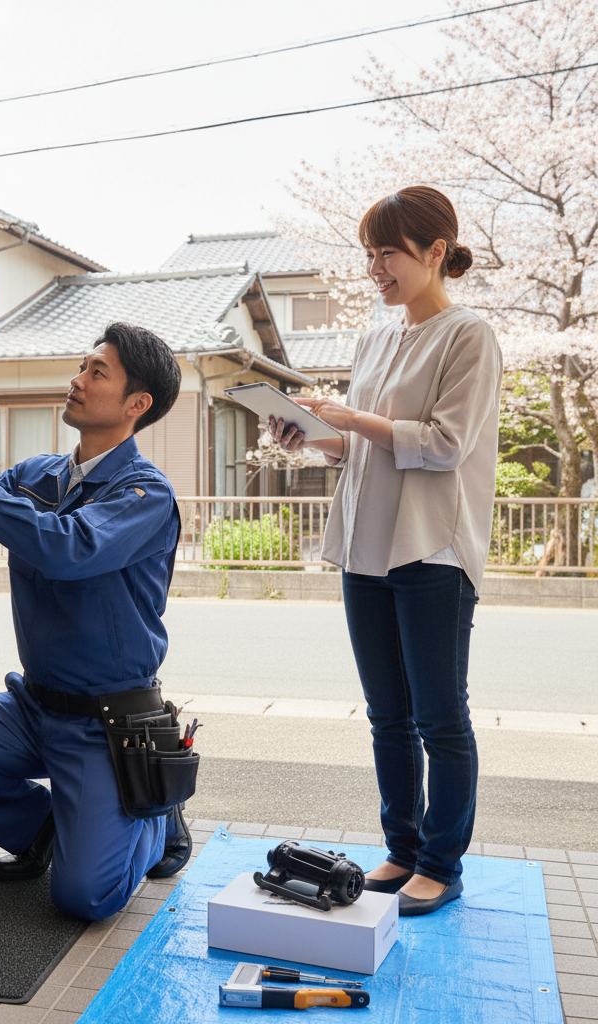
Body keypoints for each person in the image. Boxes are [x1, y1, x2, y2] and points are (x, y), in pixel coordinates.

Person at [0, 322, 191, 921]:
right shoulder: (37, 475)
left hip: (109, 724)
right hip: (33, 707)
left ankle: (156, 815)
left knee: (87, 899)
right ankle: (46, 828)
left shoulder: (146, 494)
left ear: (137, 404)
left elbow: (71, 549)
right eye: (82, 366)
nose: (77, 380)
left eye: (96, 372)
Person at [269, 186, 501, 916]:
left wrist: (351, 416)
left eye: (389, 253)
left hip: (431, 548)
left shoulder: (470, 335)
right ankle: (402, 849)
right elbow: (366, 447)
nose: (376, 268)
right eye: (368, 253)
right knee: (385, 715)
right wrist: (313, 434)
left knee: (440, 717)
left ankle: (442, 862)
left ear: (436, 252)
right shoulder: (373, 339)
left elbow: (443, 444)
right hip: (365, 550)